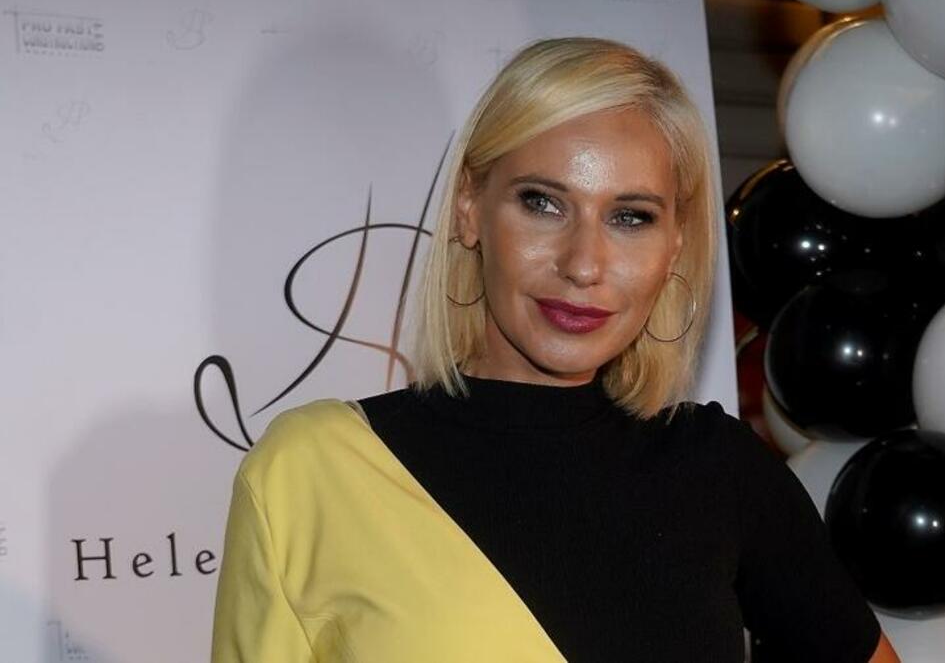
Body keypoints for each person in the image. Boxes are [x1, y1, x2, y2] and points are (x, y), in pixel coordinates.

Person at [210, 37, 900, 662]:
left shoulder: (719, 468)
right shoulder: (313, 469)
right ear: (470, 208)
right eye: (543, 203)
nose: (584, 264)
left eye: (630, 217)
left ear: (675, 245)